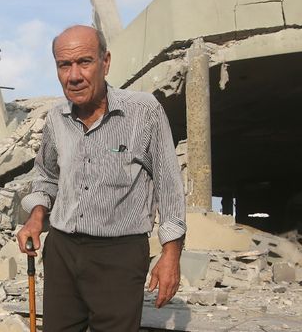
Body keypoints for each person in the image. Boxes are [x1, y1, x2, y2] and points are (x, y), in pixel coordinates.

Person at [15, 25, 186, 331]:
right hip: (62, 250)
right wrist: (37, 216)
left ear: (105, 62)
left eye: (84, 62)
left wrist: (170, 255)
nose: (74, 75)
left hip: (118, 255)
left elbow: (169, 187)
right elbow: (46, 176)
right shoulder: (56, 119)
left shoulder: (143, 111)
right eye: (64, 65)